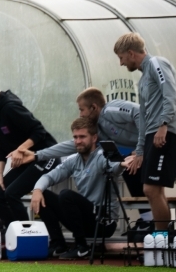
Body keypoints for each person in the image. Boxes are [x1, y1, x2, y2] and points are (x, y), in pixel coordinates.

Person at [24, 87, 152, 231]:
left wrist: (140, 147)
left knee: (135, 168)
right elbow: (69, 146)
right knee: (131, 169)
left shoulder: (110, 110)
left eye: (82, 109)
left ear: (93, 107)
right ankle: (147, 220)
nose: (80, 114)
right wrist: (37, 155)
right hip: (144, 148)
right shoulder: (99, 130)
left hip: (157, 140)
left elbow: (140, 113)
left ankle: (151, 221)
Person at [114, 32, 176, 231]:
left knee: (151, 189)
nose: (121, 63)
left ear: (131, 53)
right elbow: (143, 116)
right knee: (153, 189)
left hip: (164, 133)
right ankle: (163, 239)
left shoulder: (156, 63)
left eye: (121, 58)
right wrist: (140, 149)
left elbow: (171, 94)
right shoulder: (143, 79)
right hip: (154, 135)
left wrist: (163, 125)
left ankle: (163, 238)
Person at [30, 117, 124, 259]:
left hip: (103, 223)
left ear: (94, 138)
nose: (78, 141)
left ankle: (82, 248)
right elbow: (48, 177)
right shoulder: (73, 160)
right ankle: (59, 245)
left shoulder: (101, 156)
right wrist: (37, 191)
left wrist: (122, 164)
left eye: (82, 137)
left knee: (66, 195)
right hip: (83, 220)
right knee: (45, 195)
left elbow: (114, 167)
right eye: (75, 137)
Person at [0, 77, 58, 230]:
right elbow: (0, 146)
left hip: (46, 155)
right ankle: (13, 232)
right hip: (25, 160)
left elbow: (39, 131)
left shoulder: (10, 108)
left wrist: (20, 149)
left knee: (12, 193)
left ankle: (26, 235)